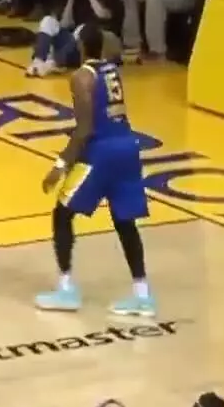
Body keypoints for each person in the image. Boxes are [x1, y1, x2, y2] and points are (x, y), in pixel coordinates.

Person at [35, 24, 153, 316]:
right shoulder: (112, 70)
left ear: (80, 46)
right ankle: (143, 296)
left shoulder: (81, 77)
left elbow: (84, 129)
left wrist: (60, 165)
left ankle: (66, 289)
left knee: (62, 213)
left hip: (102, 153)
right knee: (125, 222)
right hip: (128, 146)